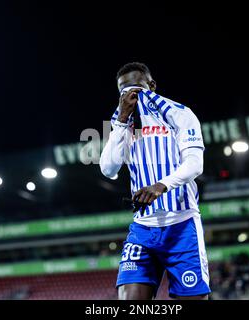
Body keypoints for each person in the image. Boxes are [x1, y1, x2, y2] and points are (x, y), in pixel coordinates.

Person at [100, 62, 210, 300]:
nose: (129, 94)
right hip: (143, 228)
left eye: (136, 87)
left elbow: (195, 164)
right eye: (122, 89)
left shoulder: (180, 114)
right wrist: (121, 122)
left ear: (151, 86)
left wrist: (161, 186)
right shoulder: (122, 124)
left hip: (182, 225)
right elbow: (108, 169)